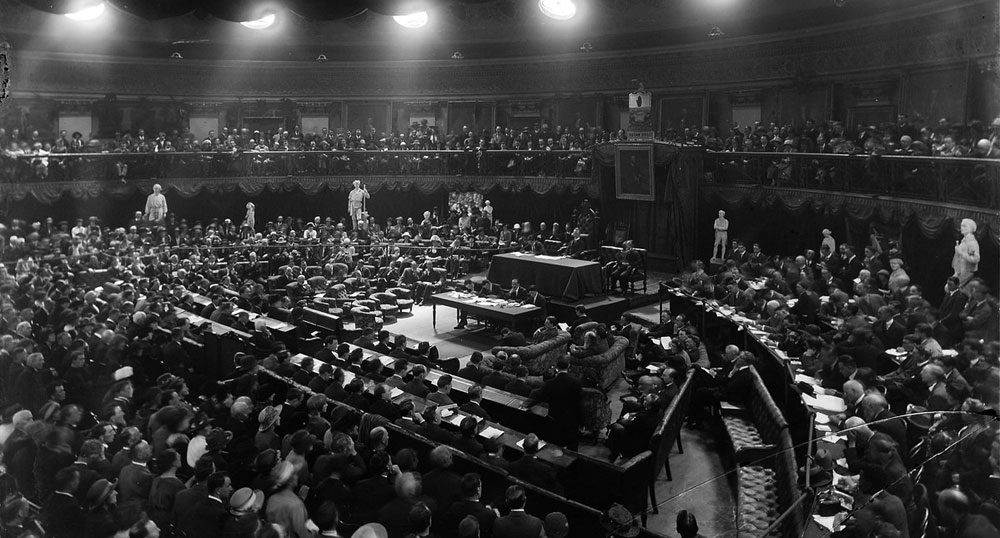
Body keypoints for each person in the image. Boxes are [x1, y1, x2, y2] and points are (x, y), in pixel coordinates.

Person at [525, 358, 582, 450]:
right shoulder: (576, 382)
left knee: (554, 446)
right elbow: (579, 403)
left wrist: (526, 404)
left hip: (555, 419)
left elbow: (538, 396)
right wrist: (582, 422)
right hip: (571, 420)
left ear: (556, 367)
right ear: (568, 366)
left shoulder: (550, 383)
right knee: (572, 447)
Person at [952, 218, 980, 289]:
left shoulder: (972, 242)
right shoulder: (964, 241)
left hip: (966, 272)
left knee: (950, 288)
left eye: (964, 226)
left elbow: (976, 259)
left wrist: (961, 253)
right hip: (959, 271)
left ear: (970, 228)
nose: (961, 228)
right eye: (961, 226)